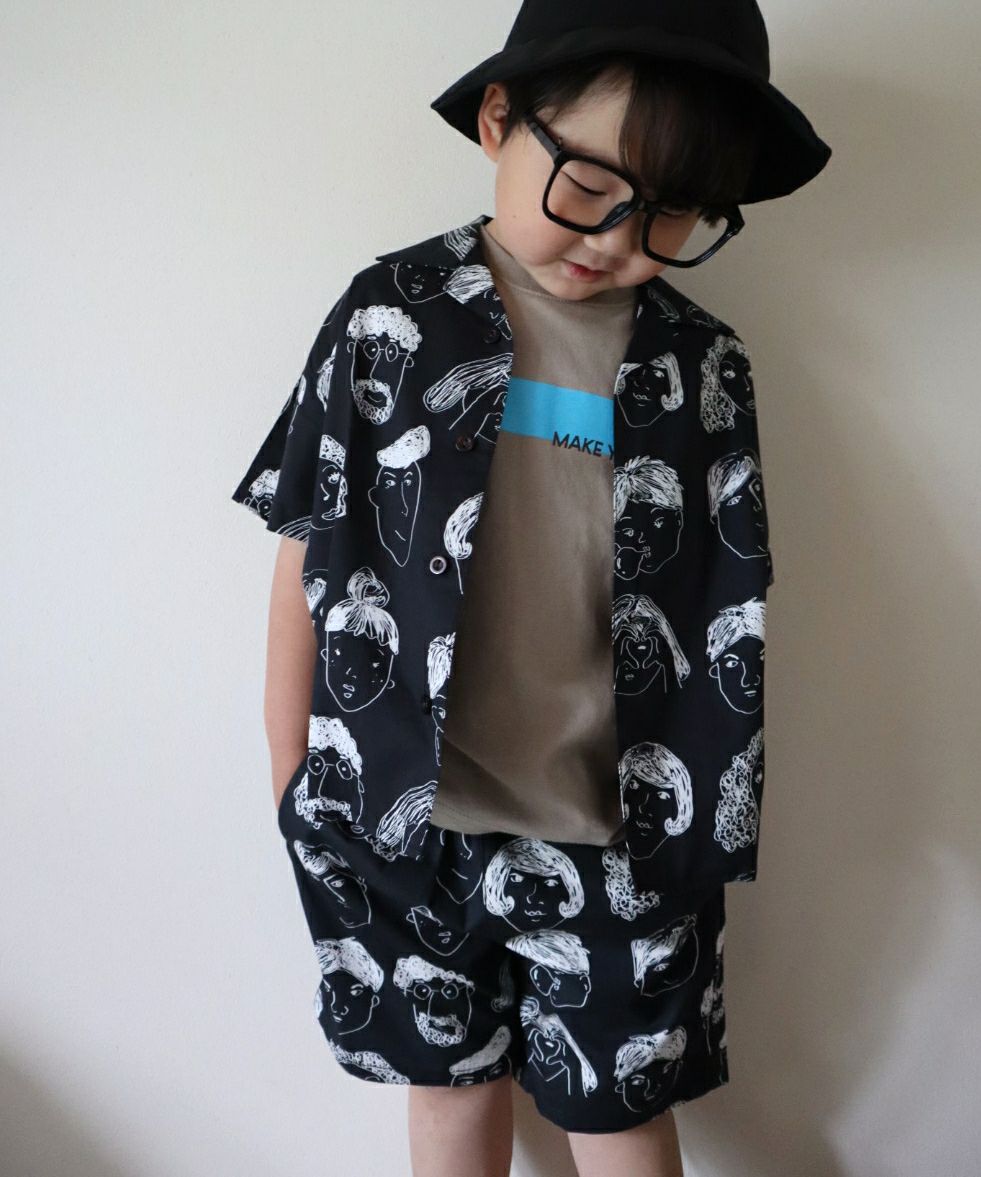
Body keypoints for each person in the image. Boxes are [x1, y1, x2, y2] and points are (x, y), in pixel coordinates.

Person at [229, 2, 831, 1173]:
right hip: (400, 822)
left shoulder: (703, 367)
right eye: (590, 185)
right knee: (448, 1099)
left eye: (670, 212)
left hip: (624, 840)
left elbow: (727, 606)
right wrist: (290, 766)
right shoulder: (390, 315)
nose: (617, 236)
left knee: (619, 1115)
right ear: (499, 121)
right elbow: (308, 541)